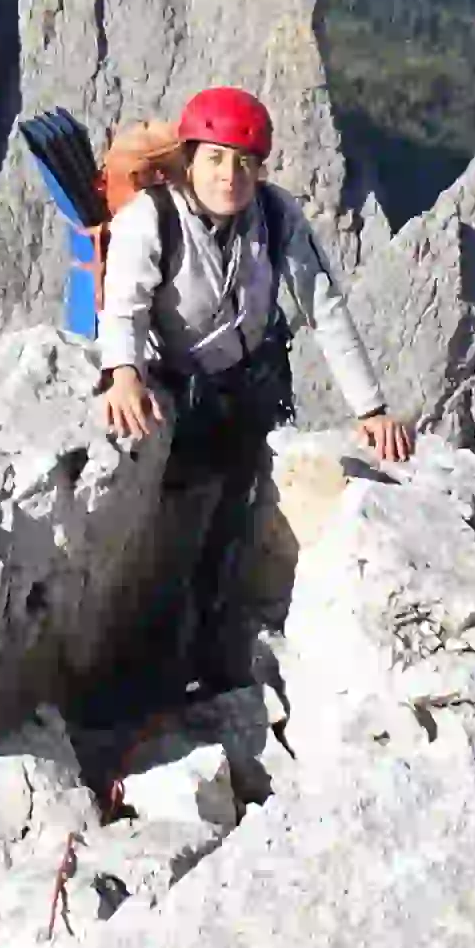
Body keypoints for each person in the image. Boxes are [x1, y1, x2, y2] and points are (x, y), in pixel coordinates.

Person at [89, 84, 408, 685]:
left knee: (238, 518)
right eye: (214, 158)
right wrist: (123, 374)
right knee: (175, 529)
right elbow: (124, 304)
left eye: (244, 162)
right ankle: (157, 664)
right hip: (178, 395)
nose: (229, 176)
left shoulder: (276, 214)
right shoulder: (150, 219)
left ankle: (217, 649)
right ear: (189, 158)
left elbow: (325, 307)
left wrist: (372, 408)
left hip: (251, 388)